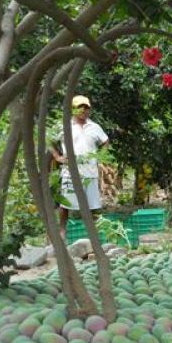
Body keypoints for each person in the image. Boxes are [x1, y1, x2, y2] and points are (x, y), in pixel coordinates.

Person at [50, 95, 109, 240]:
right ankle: (62, 230)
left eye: (86, 107)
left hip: (90, 172)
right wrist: (57, 157)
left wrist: (100, 158)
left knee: (93, 205)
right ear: (73, 109)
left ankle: (96, 234)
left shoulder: (94, 127)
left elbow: (106, 142)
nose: (83, 110)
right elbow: (49, 141)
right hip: (70, 172)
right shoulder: (63, 126)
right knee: (66, 204)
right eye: (80, 107)